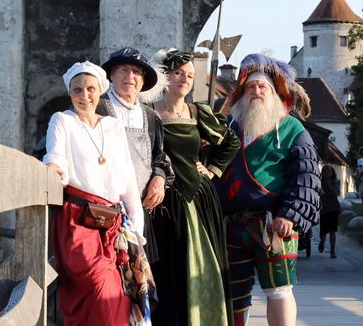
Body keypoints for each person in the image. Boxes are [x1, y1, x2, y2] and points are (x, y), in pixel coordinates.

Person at [215, 53, 321, 326]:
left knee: (279, 290)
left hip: (274, 222)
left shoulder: (292, 129)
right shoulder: (227, 128)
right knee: (233, 294)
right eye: (250, 87)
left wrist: (290, 215)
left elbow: (307, 177)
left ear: (275, 93)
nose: (256, 90)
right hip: (231, 225)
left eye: (263, 86)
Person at [43, 61, 145, 325]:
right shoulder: (62, 120)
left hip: (113, 222)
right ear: (70, 93)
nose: (84, 95)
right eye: (77, 89)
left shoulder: (113, 126)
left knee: (118, 296)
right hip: (78, 221)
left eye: (90, 88)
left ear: (100, 90)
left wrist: (137, 229)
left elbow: (128, 180)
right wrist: (52, 168)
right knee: (96, 285)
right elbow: (55, 157)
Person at [150, 48, 240, 326]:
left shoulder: (198, 112)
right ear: (165, 76)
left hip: (198, 199)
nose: (185, 79)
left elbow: (231, 142)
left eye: (189, 75)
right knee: (169, 266)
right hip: (163, 201)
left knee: (203, 264)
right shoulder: (148, 113)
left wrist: (212, 170)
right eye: (178, 73)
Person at [100, 47, 174, 264]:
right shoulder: (97, 108)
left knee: (138, 277)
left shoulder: (151, 117)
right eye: (123, 70)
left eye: (136, 72)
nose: (130, 77)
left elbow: (159, 157)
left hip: (139, 211)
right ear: (111, 75)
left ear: (143, 80)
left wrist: (160, 178)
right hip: (102, 209)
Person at [318, 165, 341, 259]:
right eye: (324, 171)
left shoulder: (335, 182)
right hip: (324, 210)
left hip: (334, 209)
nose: (326, 173)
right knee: (323, 232)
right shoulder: (319, 183)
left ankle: (332, 250)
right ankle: (322, 243)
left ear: (332, 174)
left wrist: (329, 185)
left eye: (328, 171)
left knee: (332, 231)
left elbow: (337, 193)